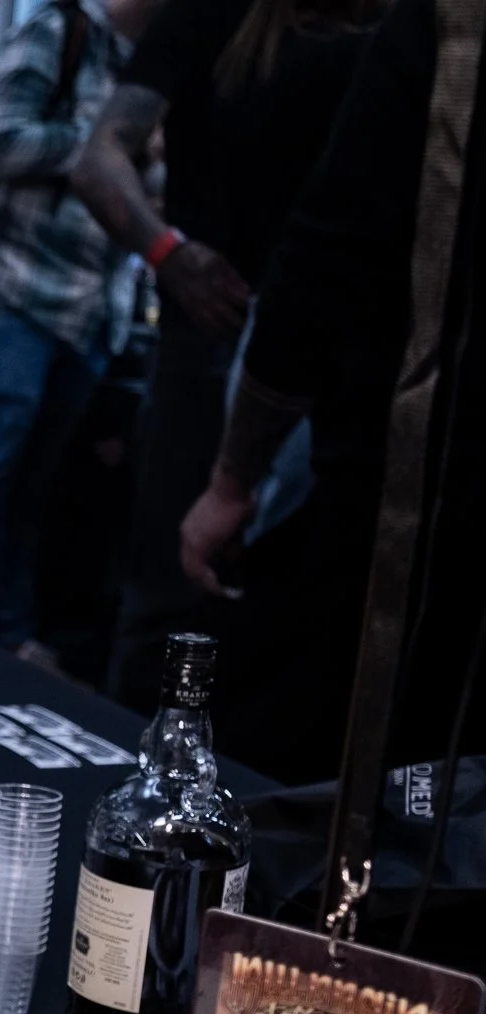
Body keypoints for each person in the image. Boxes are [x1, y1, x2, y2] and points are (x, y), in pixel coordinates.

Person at [174, 0, 479, 782]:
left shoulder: (441, 30)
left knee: (325, 751)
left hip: (397, 461)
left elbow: (332, 246)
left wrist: (233, 477)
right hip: (339, 395)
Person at [68, 0, 380, 713]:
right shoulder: (211, 18)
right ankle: (133, 803)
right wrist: (168, 254)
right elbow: (98, 161)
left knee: (304, 616)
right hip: (215, 341)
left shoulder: (395, 30)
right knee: (169, 604)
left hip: (341, 361)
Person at [0, 0, 146, 657]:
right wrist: (104, 146)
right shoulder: (58, 30)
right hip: (20, 294)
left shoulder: (147, 63)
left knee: (31, 488)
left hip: (95, 307)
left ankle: (8, 637)